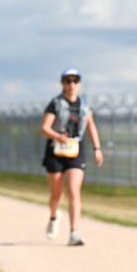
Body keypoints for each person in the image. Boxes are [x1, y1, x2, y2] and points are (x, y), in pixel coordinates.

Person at [40, 68, 103, 245]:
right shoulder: (55, 103)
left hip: (75, 149)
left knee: (74, 190)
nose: (71, 85)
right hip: (56, 149)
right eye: (68, 81)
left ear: (79, 84)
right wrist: (57, 136)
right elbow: (44, 127)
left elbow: (91, 127)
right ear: (63, 83)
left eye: (75, 81)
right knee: (56, 194)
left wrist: (97, 148)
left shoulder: (84, 105)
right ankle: (53, 216)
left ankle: (74, 232)